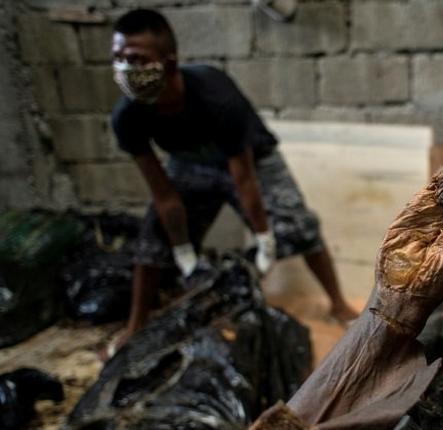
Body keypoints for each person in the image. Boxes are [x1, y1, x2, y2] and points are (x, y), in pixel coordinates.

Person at [107, 9, 358, 354]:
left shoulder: (215, 98)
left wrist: (264, 238)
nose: (126, 69)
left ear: (168, 63)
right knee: (153, 238)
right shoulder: (127, 116)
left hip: (250, 161)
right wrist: (181, 249)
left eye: (136, 58)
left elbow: (244, 180)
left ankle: (339, 304)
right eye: (118, 57)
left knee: (299, 227)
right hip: (190, 163)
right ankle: (136, 325)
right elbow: (164, 193)